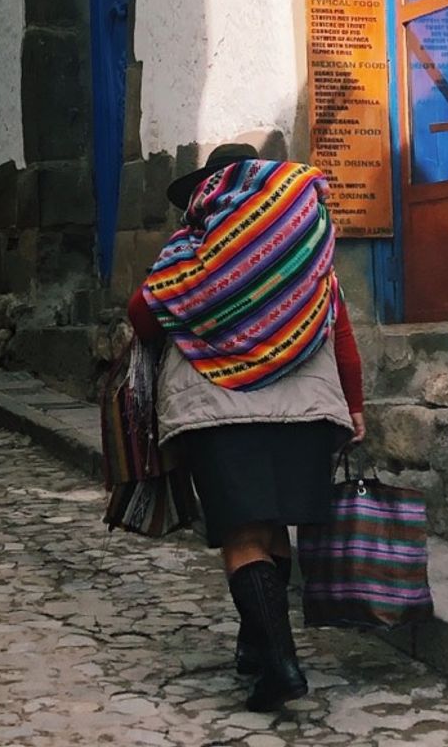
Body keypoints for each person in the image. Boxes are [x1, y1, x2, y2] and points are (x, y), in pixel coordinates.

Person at [127, 143, 365, 712]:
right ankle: (259, 650)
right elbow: (343, 329)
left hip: (219, 416)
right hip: (304, 414)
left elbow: (142, 313)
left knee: (242, 534)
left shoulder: (190, 252)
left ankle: (281, 667)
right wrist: (354, 406)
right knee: (273, 526)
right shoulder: (305, 256)